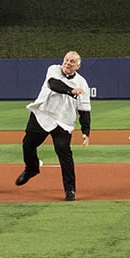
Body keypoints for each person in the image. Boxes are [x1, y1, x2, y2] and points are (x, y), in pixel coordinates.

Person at [15, 51, 91, 202]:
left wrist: (85, 131)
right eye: (66, 60)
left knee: (64, 153)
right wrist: (71, 91)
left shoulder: (82, 83)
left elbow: (84, 109)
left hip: (63, 123)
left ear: (78, 65)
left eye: (72, 62)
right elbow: (53, 84)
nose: (68, 63)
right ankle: (32, 169)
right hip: (42, 115)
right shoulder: (54, 70)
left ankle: (70, 190)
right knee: (28, 145)